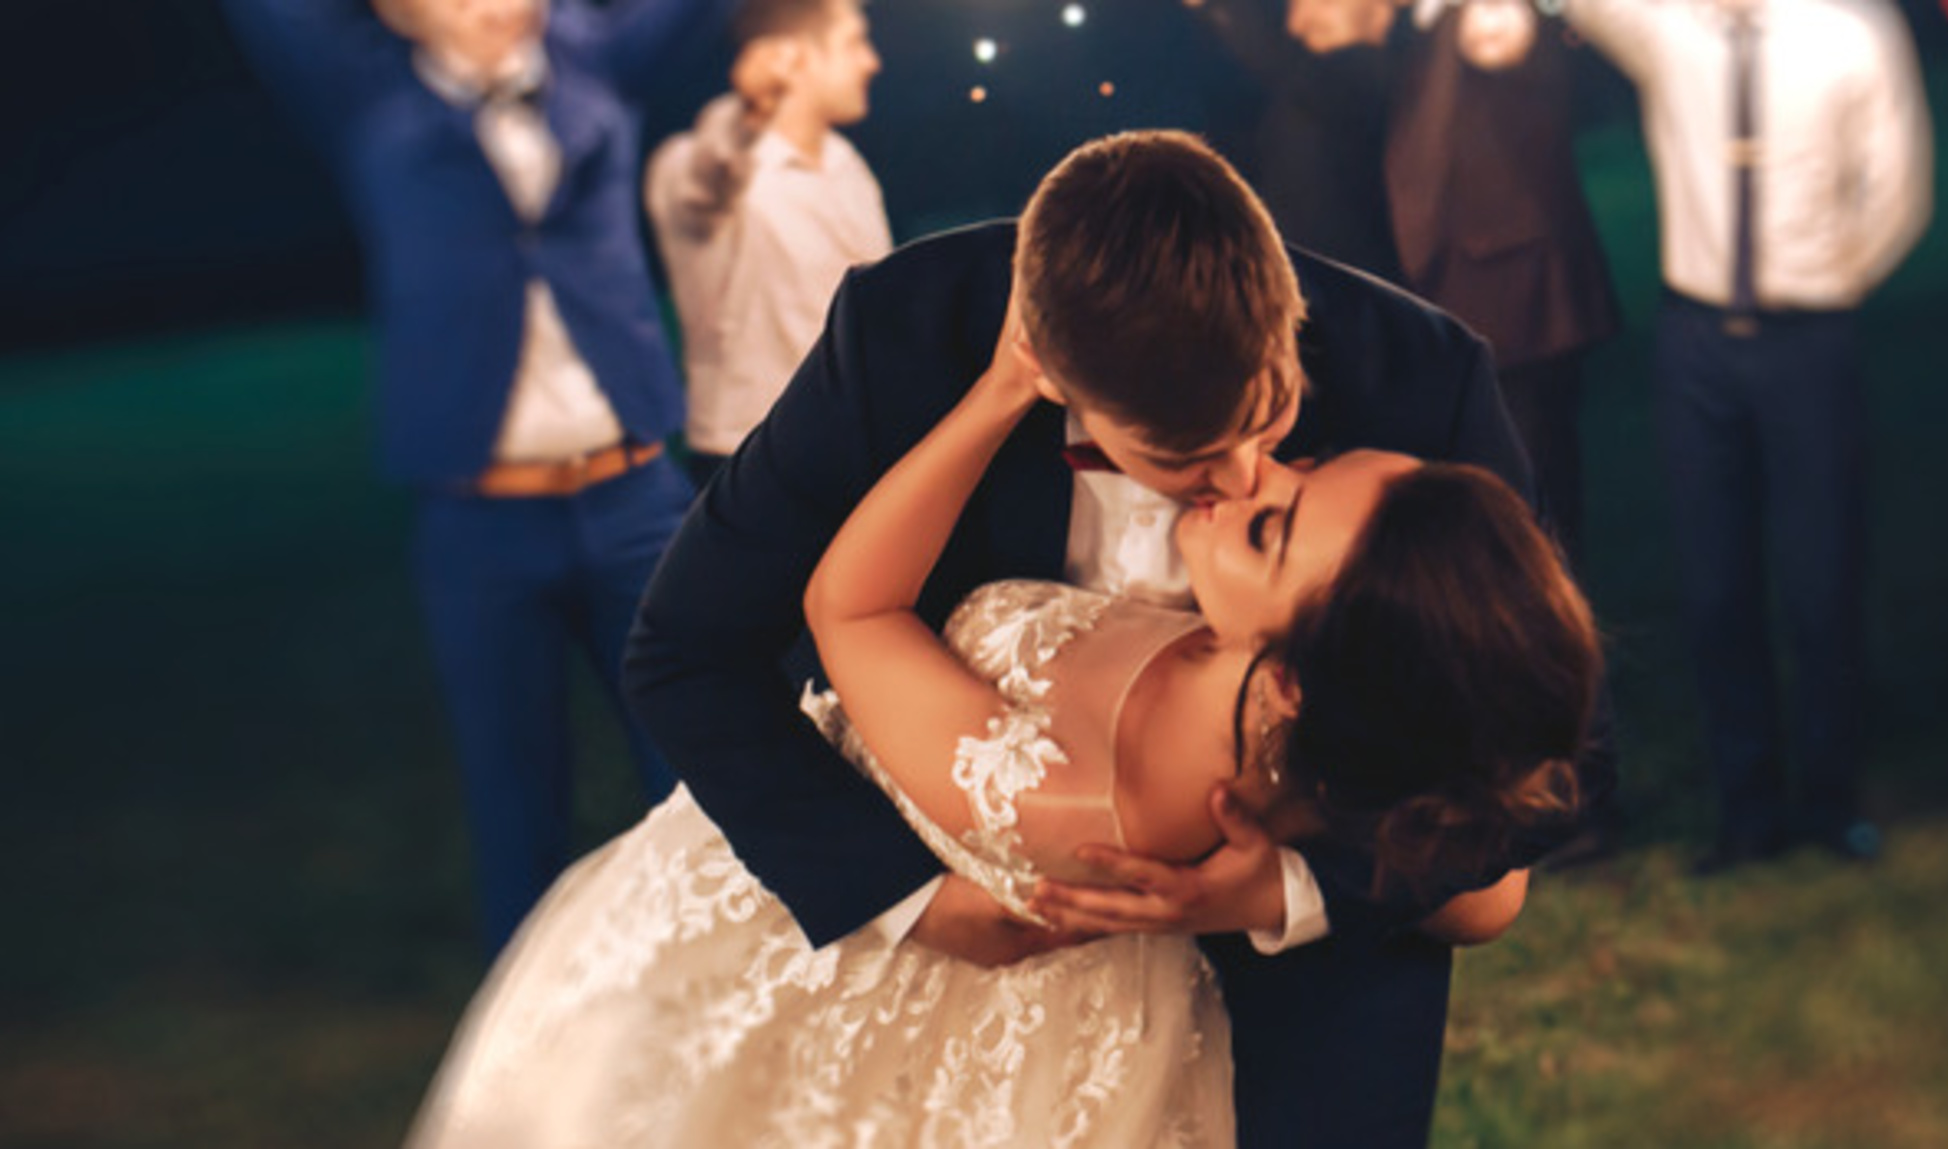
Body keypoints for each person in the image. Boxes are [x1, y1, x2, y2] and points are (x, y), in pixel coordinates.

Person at [624, 129, 1614, 1146]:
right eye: (1184, 456)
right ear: (1055, 372)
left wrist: (1290, 888)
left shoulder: (1421, 373)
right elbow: (688, 650)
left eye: (1269, 419)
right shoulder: (904, 333)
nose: (1240, 477)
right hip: (975, 1023)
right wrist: (905, 895)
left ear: (1288, 310)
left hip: (1309, 1009)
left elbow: (1554, 748)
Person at [406, 306, 1602, 1142]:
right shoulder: (1308, 713)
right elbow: (1486, 890)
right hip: (835, 885)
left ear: (1295, 680)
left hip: (899, 1005)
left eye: (1270, 528)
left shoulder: (1082, 801)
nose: (1250, 475)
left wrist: (996, 396)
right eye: (1306, 467)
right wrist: (1267, 887)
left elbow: (851, 609)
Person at [220, 0, 731, 952]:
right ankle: (525, 1042)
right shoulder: (365, 93)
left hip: (636, 503)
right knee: (513, 793)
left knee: (699, 765)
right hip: (482, 523)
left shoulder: (593, 55)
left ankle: (726, 986)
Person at [1564, 0, 1931, 874]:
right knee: (1716, 583)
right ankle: (1747, 809)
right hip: (1697, 344)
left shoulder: (1851, 33)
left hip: (1809, 336)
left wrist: (1827, 279)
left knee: (1821, 574)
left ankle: (1832, 801)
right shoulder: (1667, 25)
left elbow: (1899, 186)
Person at [1385, 0, 1622, 560]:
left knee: (1531, 488)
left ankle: (1547, 625)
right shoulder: (1426, 22)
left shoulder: (1489, 17)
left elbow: (1507, 39)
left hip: (1516, 293)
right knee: (1501, 483)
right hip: (1476, 285)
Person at [646, 0, 891, 488]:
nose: (871, 61)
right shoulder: (692, 167)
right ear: (789, 57)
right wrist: (749, 106)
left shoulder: (850, 166)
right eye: (853, 43)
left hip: (856, 459)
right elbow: (705, 182)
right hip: (747, 467)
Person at [1182, 0, 1408, 280]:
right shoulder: (1307, 82)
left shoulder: (1368, 81)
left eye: (1321, 3)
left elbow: (1275, 59)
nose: (1297, 23)